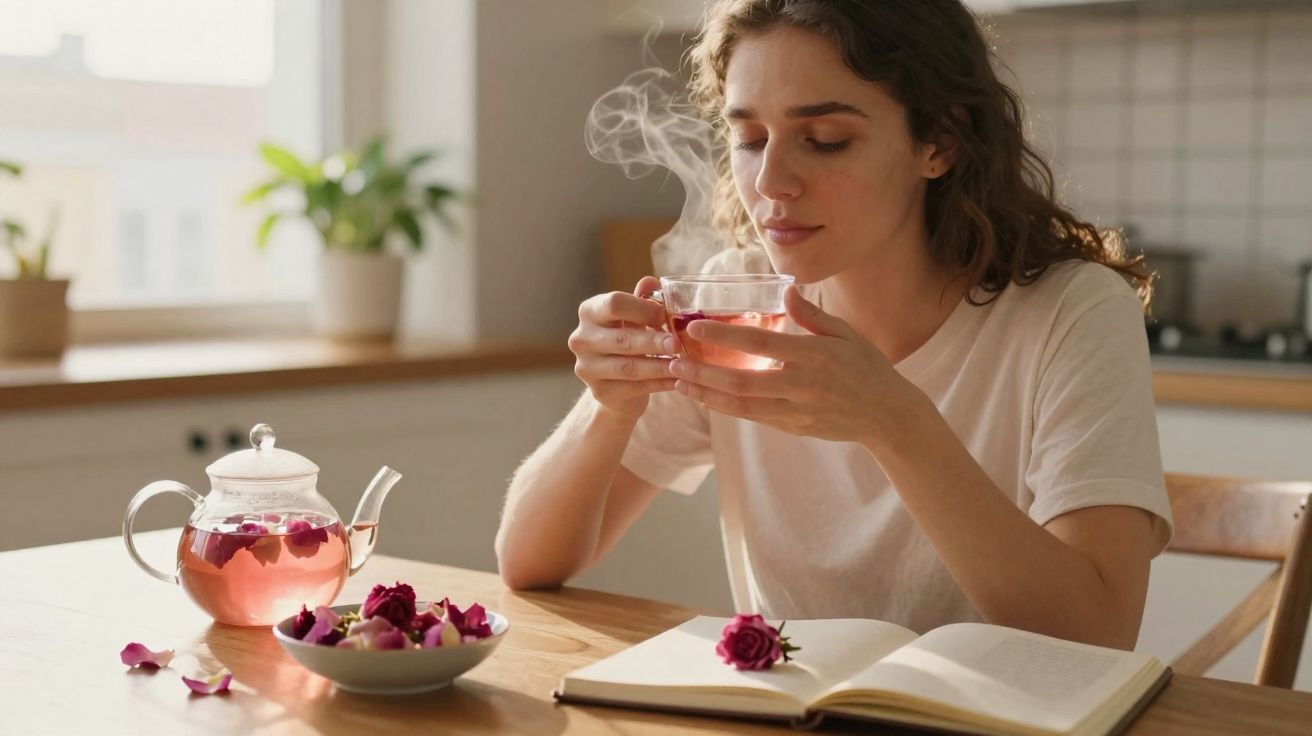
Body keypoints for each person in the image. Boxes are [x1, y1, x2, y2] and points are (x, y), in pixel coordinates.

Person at [495, 0, 1172, 650]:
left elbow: (1095, 633)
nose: (771, 183)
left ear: (938, 142)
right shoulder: (733, 302)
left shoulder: (1070, 313)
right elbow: (527, 563)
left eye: (824, 140)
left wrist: (896, 423)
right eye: (751, 139)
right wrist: (608, 408)